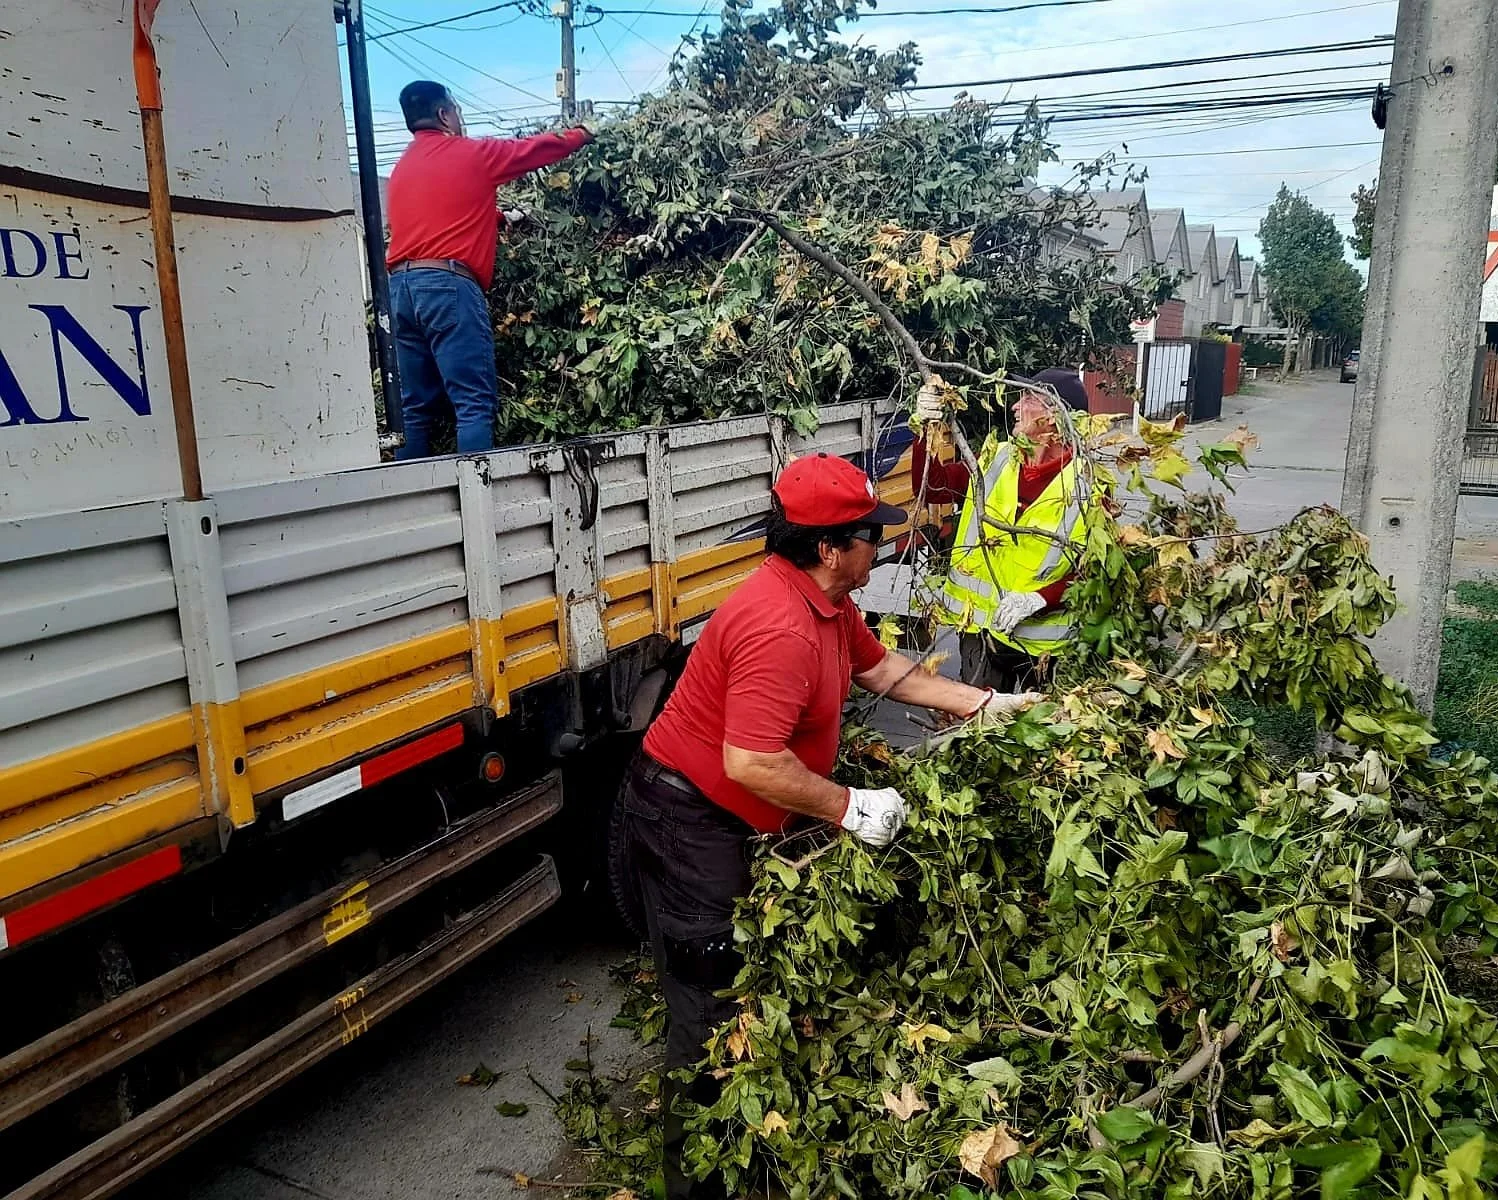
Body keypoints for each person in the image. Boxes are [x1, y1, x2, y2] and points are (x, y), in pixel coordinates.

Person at [618, 453, 1041, 1200]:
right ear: (827, 548)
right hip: (687, 823)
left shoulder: (829, 604)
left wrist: (984, 705)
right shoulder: (778, 624)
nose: (879, 547)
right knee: (710, 1018)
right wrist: (850, 806)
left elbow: (888, 675)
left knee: (749, 985)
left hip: (724, 817)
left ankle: (754, 1149)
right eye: (867, 537)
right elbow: (749, 760)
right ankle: (696, 1181)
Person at [384, 80, 593, 458]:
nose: (461, 119)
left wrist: (496, 217)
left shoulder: (402, 169)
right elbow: (532, 150)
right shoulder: (471, 154)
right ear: (444, 115)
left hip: (399, 290)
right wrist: (581, 134)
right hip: (446, 288)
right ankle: (476, 510)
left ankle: (411, 508)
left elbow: (439, 213)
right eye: (458, 111)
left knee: (413, 410)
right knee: (473, 404)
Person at [912, 368, 1090, 692]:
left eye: (1027, 399)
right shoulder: (998, 459)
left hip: (1044, 649)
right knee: (981, 731)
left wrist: (1040, 598)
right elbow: (933, 489)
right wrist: (924, 429)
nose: (1015, 407)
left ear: (1053, 416)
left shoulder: (1088, 483)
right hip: (982, 636)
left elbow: (1095, 570)